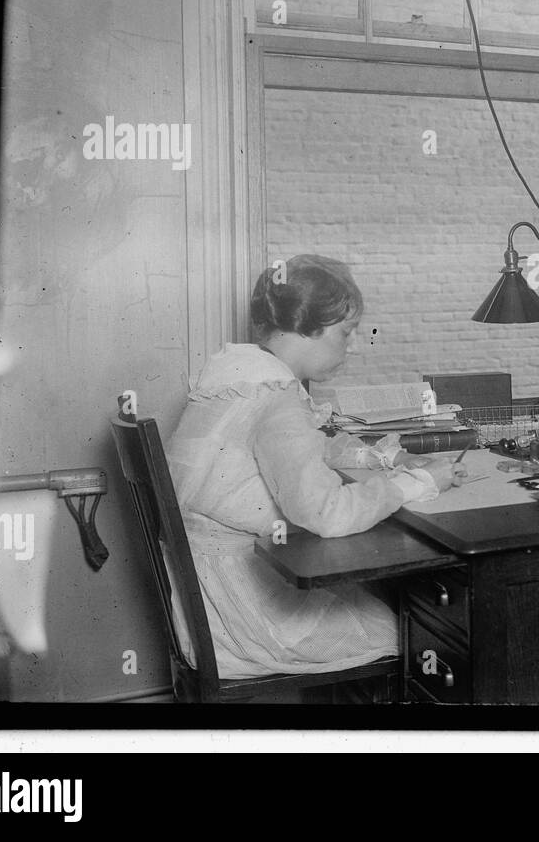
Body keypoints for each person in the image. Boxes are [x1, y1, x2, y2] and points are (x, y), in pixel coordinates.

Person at [165, 254, 467, 680]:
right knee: (412, 633)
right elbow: (325, 513)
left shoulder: (245, 373)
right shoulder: (275, 394)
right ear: (308, 328)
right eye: (346, 332)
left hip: (204, 591)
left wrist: (385, 456)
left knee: (381, 597)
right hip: (235, 617)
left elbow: (307, 443)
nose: (355, 345)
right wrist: (416, 483)